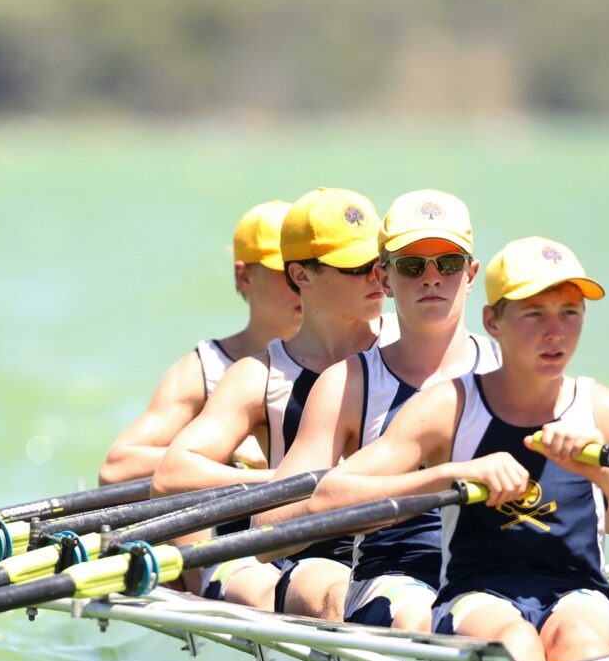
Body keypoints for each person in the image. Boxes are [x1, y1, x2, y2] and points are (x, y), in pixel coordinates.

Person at [311, 236, 609, 661]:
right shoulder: (451, 406)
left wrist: (607, 476)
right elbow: (328, 497)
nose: (555, 331)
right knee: (513, 646)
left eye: (569, 313)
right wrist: (454, 475)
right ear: (493, 322)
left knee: (581, 642)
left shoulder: (606, 412)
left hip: (579, 597)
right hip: (476, 597)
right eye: (534, 314)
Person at [251, 190, 499, 630]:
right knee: (424, 618)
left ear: (471, 273)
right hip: (396, 577)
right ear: (384, 279)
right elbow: (266, 533)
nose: (431, 278)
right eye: (410, 266)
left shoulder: (508, 368)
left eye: (448, 264)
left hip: (497, 571)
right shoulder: (348, 384)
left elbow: (607, 520)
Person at [154, 187, 393, 616]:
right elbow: (172, 476)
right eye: (357, 267)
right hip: (305, 561)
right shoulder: (259, 375)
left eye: (382, 262)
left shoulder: (409, 348)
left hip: (406, 552)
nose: (378, 278)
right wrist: (290, 481)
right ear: (301, 275)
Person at [98, 199, 301, 486]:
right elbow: (116, 467)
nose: (300, 282)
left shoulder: (352, 354)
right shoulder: (203, 370)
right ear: (243, 277)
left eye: (308, 268)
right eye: (284, 272)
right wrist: (224, 452)